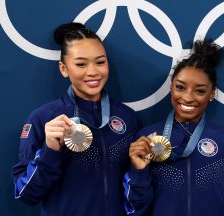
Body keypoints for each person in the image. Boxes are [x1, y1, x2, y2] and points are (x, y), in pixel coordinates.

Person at [11, 22, 138, 216]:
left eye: (100, 62)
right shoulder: (43, 119)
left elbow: (136, 186)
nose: (93, 71)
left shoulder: (127, 118)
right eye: (81, 64)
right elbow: (25, 194)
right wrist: (50, 151)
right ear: (63, 68)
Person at [123, 40, 224, 216]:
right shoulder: (146, 138)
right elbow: (136, 209)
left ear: (212, 93)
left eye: (200, 91)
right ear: (171, 87)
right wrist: (139, 171)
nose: (188, 97)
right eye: (180, 87)